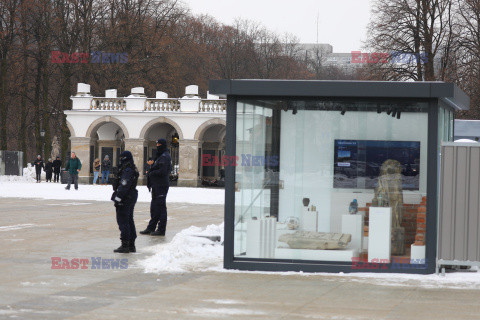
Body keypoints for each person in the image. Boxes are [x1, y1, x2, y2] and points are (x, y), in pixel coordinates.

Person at [140, 138, 171, 236]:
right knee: (154, 207)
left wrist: (151, 173)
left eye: (159, 145)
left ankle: (161, 229)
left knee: (161, 207)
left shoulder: (165, 157)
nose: (157, 146)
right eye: (156, 144)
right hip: (156, 184)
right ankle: (151, 227)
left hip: (161, 185)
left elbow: (163, 171)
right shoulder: (159, 156)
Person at [111, 151, 139, 253]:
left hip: (126, 197)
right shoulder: (130, 167)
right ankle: (131, 244)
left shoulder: (127, 170)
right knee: (129, 220)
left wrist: (118, 198)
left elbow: (124, 185)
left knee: (123, 221)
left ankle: (125, 244)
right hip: (130, 196)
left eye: (122, 157)